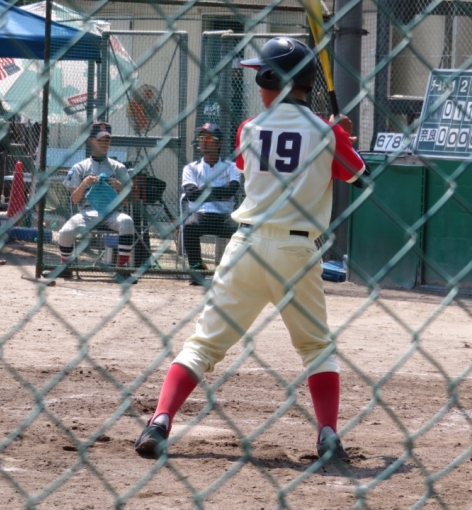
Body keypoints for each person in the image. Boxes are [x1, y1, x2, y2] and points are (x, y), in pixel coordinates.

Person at [134, 37, 367, 462]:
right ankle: (328, 435)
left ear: (273, 79)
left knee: (204, 344)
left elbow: (252, 163)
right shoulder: (327, 132)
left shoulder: (249, 129)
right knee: (317, 349)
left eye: (261, 75)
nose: (258, 83)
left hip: (245, 247)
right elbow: (357, 175)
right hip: (296, 251)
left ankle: (160, 420)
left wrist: (331, 134)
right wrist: (341, 136)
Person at [48, 121, 135, 281]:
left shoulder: (118, 168)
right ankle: (65, 267)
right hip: (87, 212)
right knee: (65, 232)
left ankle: (122, 269)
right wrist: (84, 184)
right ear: (91, 141)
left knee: (127, 221)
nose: (104, 144)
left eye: (107, 140)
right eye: (100, 140)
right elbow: (75, 200)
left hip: (112, 212)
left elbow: (126, 202)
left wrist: (120, 187)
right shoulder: (80, 167)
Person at [182, 122, 240, 285]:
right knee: (189, 226)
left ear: (219, 143)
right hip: (200, 215)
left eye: (209, 138)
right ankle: (197, 271)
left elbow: (231, 190)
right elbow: (192, 195)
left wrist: (204, 190)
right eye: (201, 138)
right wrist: (219, 192)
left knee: (243, 231)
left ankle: (233, 273)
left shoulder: (231, 167)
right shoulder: (191, 168)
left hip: (224, 216)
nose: (204, 142)